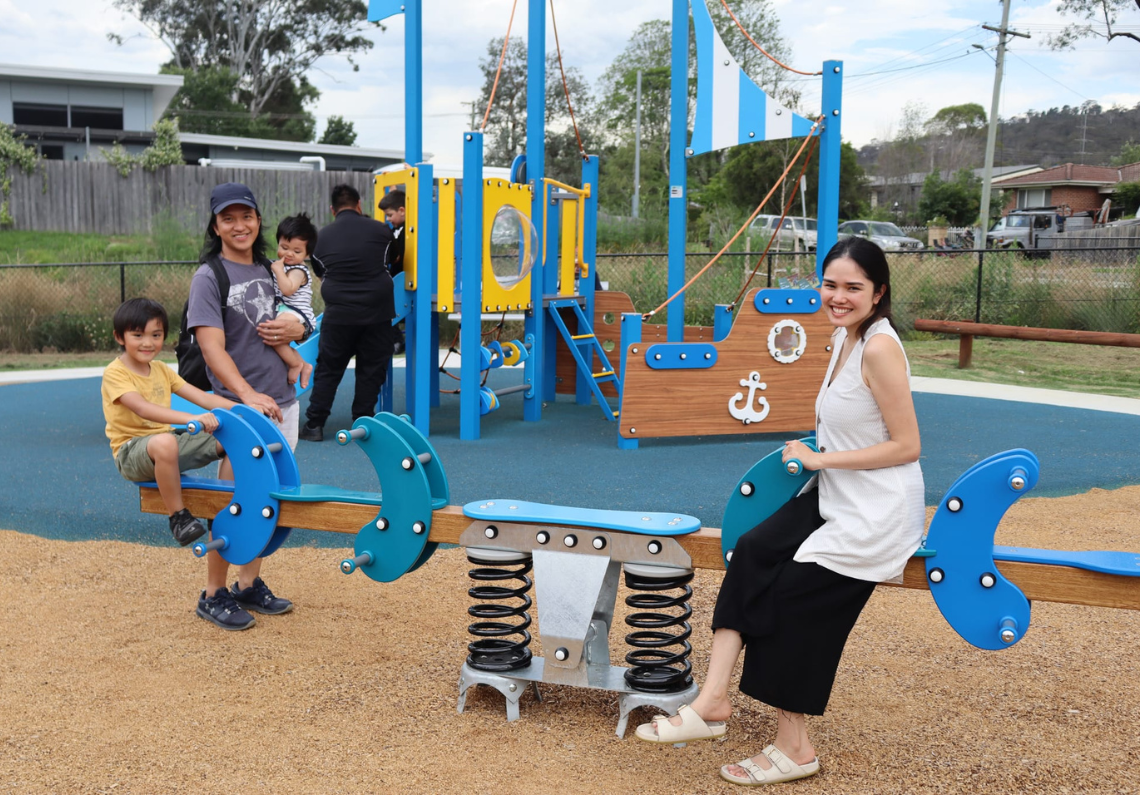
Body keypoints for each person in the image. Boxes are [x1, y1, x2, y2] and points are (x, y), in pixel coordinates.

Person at [635, 236, 925, 787]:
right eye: (830, 284)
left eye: (853, 288)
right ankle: (712, 701)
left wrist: (822, 456)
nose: (838, 297)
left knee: (791, 596)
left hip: (877, 509)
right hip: (836, 492)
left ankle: (796, 749)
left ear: (878, 292)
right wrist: (817, 455)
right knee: (753, 550)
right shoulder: (843, 335)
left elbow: (908, 445)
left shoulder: (880, 348)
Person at [185, 181, 306, 631]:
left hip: (281, 400)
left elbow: (294, 318)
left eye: (247, 217)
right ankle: (214, 592)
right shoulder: (208, 276)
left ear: (259, 221)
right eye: (228, 219)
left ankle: (248, 583)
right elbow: (213, 347)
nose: (240, 226)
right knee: (233, 498)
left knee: (267, 497)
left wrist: (297, 344)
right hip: (241, 408)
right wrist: (246, 395)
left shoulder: (265, 267)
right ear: (216, 226)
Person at [102, 297, 236, 547]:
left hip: (168, 445)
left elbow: (201, 397)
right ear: (120, 337)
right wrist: (191, 419)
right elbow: (143, 409)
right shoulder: (116, 373)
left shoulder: (162, 369)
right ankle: (179, 518)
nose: (148, 343)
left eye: (156, 335)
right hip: (132, 452)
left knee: (232, 438)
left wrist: (246, 408)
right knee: (164, 442)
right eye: (138, 335)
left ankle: (226, 505)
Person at [299, 184, 397, 442]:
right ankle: (362, 420)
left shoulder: (320, 238)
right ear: (359, 205)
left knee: (329, 369)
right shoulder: (382, 231)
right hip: (377, 312)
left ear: (333, 210)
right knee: (371, 368)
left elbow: (321, 272)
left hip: (339, 314)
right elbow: (395, 260)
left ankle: (314, 424)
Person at [269, 213, 319, 388]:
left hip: (298, 313)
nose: (289, 254)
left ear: (307, 254)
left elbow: (288, 289)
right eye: (284, 247)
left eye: (297, 251)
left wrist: (278, 270)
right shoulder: (286, 265)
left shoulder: (298, 270)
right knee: (275, 338)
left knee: (274, 332)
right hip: (286, 310)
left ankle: (296, 364)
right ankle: (304, 365)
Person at [378, 188, 406, 354]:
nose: (388, 219)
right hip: (396, 278)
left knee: (385, 308)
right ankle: (395, 339)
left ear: (402, 210)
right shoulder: (397, 229)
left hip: (404, 279)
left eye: (389, 215)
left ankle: (396, 340)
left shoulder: (409, 229)